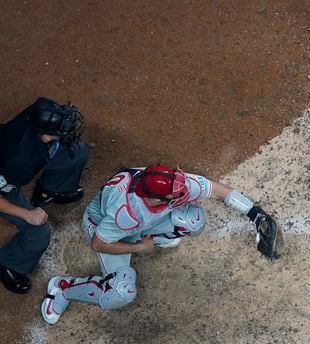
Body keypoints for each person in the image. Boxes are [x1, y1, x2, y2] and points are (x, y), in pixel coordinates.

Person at [40, 165, 278, 324]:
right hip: (109, 233)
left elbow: (217, 190)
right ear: (156, 198)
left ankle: (158, 237)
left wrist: (255, 214)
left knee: (193, 219)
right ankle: (63, 288)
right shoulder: (126, 213)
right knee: (121, 292)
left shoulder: (169, 182)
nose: (184, 194)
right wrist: (138, 248)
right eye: (177, 196)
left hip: (142, 223)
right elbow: (98, 244)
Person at [0, 97, 89, 294]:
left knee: (77, 151)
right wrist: (27, 214)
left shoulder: (39, 110)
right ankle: (10, 262)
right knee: (39, 232)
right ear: (46, 136)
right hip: (5, 184)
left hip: (18, 158)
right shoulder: (19, 161)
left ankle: (50, 189)